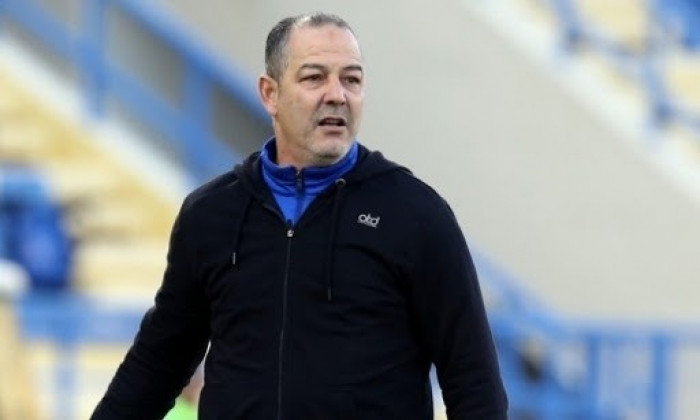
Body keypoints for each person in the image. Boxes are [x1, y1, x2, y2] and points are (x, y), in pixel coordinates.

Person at [91, 12, 507, 419]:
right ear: (269, 93)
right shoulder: (210, 214)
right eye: (314, 78)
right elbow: (157, 362)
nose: (337, 94)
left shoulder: (415, 214)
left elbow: (474, 383)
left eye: (352, 79)